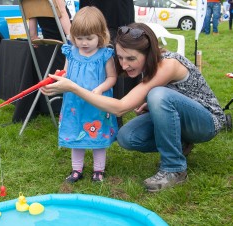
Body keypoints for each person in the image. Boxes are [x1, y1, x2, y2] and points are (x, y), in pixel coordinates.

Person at [41, 23, 226, 192]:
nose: (124, 64)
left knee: (157, 95)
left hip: (207, 123)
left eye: (131, 58)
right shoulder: (150, 64)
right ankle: (181, 144)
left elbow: (121, 108)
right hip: (185, 118)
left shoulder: (168, 64)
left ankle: (174, 168)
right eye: (120, 58)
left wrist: (73, 87)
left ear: (149, 53)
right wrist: (153, 106)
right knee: (126, 137)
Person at [57, 6, 118, 183]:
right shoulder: (71, 53)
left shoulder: (104, 54)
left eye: (89, 38)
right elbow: (66, 74)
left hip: (97, 104)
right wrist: (59, 77)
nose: (84, 42)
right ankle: (77, 169)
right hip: (75, 104)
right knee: (76, 134)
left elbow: (112, 77)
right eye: (79, 38)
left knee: (97, 135)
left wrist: (100, 89)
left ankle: (98, 170)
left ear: (100, 35)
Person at [79, 0, 136, 128]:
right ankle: (99, 113)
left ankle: (115, 117)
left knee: (115, 67)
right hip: (101, 21)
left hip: (115, 23)